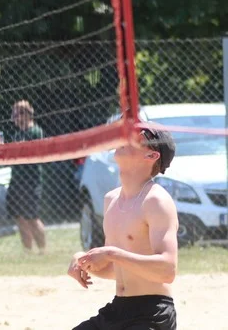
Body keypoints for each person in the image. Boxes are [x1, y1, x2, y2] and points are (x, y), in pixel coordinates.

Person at [67, 124, 178, 330]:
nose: (126, 137)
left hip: (152, 313)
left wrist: (112, 253)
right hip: (118, 309)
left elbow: (167, 270)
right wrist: (83, 260)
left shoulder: (156, 200)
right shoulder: (111, 199)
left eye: (138, 136)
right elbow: (115, 270)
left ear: (151, 156)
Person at [5, 99, 47, 253]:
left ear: (26, 114)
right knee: (19, 218)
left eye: (17, 114)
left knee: (32, 218)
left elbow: (37, 154)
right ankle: (28, 251)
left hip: (31, 181)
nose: (14, 118)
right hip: (16, 181)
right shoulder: (17, 134)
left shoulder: (35, 132)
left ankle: (43, 251)